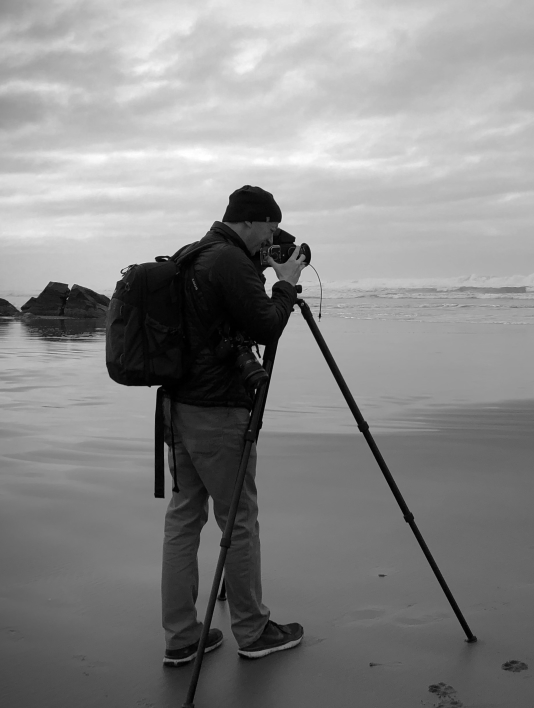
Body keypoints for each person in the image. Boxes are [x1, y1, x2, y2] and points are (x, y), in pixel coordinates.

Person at [160, 185, 306, 667]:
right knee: (238, 520)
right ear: (249, 221)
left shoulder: (195, 255)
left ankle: (181, 636)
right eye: (269, 227)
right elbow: (266, 325)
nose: (273, 238)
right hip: (218, 411)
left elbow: (218, 317)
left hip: (177, 406)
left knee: (184, 519)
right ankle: (253, 629)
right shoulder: (228, 262)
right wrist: (284, 282)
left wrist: (260, 270)